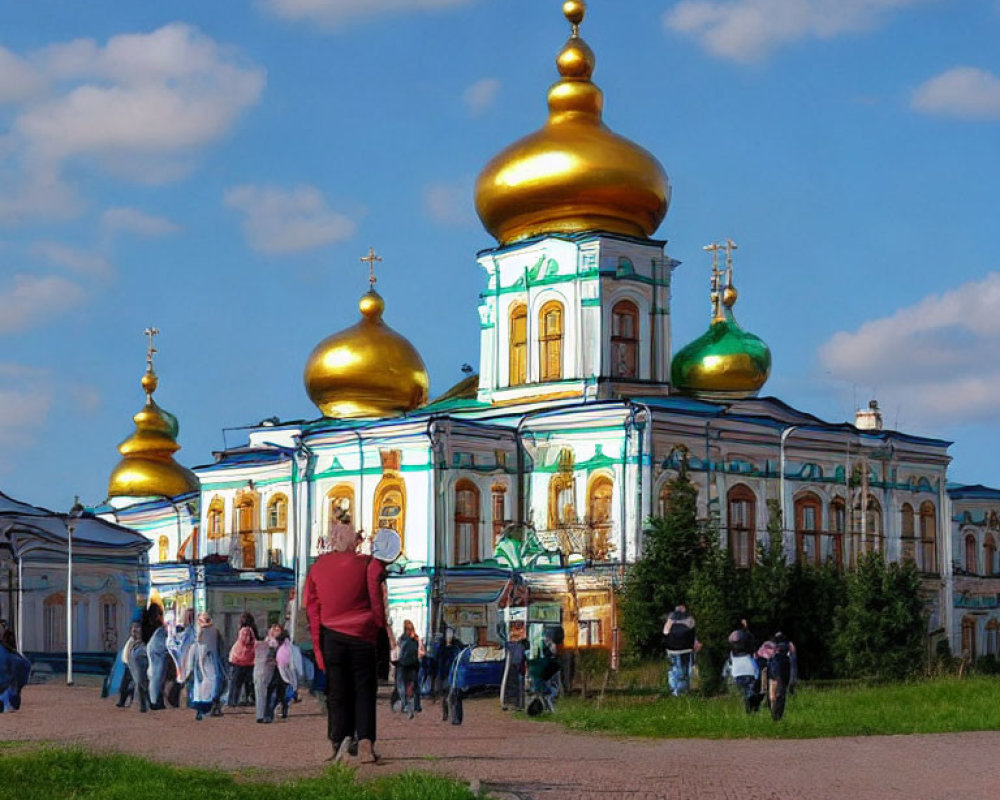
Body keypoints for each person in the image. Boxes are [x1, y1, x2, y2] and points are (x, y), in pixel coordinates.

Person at [306, 521, 385, 764]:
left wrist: (319, 647)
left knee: (337, 692)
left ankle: (339, 741)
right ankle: (365, 745)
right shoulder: (366, 565)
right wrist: (378, 626)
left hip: (332, 636)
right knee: (364, 691)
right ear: (354, 541)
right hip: (362, 635)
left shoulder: (317, 568)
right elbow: (375, 599)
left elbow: (312, 608)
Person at [190, 612, 226, 721]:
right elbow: (220, 648)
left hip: (202, 663)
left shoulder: (199, 634)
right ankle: (211, 707)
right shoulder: (214, 632)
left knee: (201, 686)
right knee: (213, 683)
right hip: (211, 661)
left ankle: (201, 710)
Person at [727, 619, 762, 713]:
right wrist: (746, 628)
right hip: (749, 670)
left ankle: (749, 711)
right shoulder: (748, 641)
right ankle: (754, 709)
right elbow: (752, 642)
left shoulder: (732, 651)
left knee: (745, 694)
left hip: (737, 673)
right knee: (752, 692)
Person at [663, 604, 697, 697]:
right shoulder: (690, 619)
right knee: (685, 669)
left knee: (673, 668)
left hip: (671, 649)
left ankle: (674, 690)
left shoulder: (670, 619)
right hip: (686, 649)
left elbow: (665, 633)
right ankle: (684, 690)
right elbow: (693, 635)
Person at [228, 612, 257, 707]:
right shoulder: (253, 630)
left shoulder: (245, 630)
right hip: (249, 660)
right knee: (249, 682)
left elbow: (245, 641)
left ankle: (233, 701)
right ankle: (249, 699)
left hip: (239, 659)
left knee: (236, 682)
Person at [397, 619, 424, 719]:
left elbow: (399, 650)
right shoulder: (416, 638)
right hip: (414, 664)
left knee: (401, 685)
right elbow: (419, 650)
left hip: (403, 664)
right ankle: (417, 705)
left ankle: (405, 705)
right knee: (415, 685)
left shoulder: (402, 638)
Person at [125, 621, 151, 713]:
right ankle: (142, 703)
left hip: (140, 659)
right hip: (133, 662)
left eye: (137, 627)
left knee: (141, 682)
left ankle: (145, 704)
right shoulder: (131, 643)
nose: (134, 630)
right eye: (133, 628)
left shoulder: (143, 644)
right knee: (138, 682)